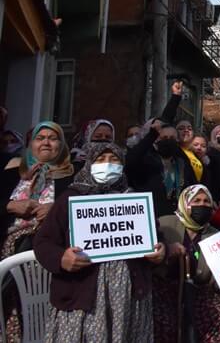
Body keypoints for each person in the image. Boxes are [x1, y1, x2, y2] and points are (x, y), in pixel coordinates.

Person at [34, 142, 166, 341]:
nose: (108, 164)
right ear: (89, 164)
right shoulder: (71, 198)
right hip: (83, 299)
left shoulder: (134, 199)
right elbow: (44, 242)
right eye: (101, 159)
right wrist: (62, 258)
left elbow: (156, 238)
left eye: (114, 160)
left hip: (129, 301)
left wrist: (160, 252)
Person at [154, 184, 220, 342]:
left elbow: (219, 282)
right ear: (185, 203)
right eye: (196, 200)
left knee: (218, 318)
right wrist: (167, 252)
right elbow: (149, 256)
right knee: (163, 323)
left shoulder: (217, 237)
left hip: (201, 294)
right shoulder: (165, 225)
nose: (202, 205)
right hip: (165, 292)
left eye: (206, 202)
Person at [2, 122, 75, 258]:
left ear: (62, 145)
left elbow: (83, 208)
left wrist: (55, 210)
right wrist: (10, 205)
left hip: (54, 252)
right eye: (40, 138)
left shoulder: (74, 176)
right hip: (8, 252)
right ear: (31, 145)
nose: (46, 142)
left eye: (53, 138)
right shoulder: (11, 173)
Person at [127, 119, 197, 218]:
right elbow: (131, 159)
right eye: (164, 137)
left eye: (172, 138)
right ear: (156, 141)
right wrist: (151, 135)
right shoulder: (146, 162)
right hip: (153, 218)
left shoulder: (182, 163)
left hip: (180, 218)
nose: (168, 140)